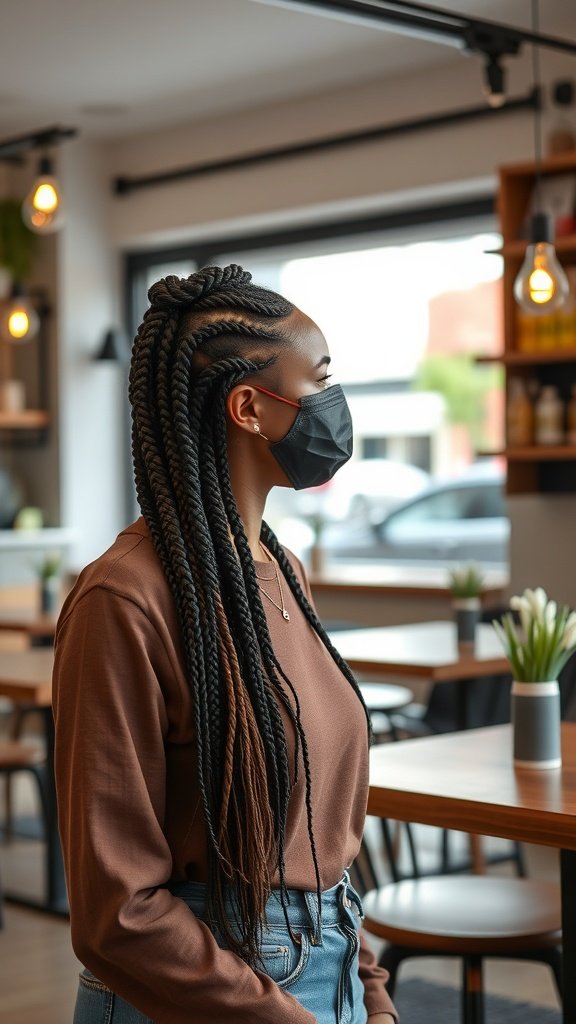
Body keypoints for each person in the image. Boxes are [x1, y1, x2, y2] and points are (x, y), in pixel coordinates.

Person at [53, 264, 397, 1024]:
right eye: (322, 381)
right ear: (248, 407)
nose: (336, 408)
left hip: (327, 974)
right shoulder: (123, 599)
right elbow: (116, 913)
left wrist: (368, 990)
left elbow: (318, 838)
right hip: (208, 991)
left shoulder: (281, 570)